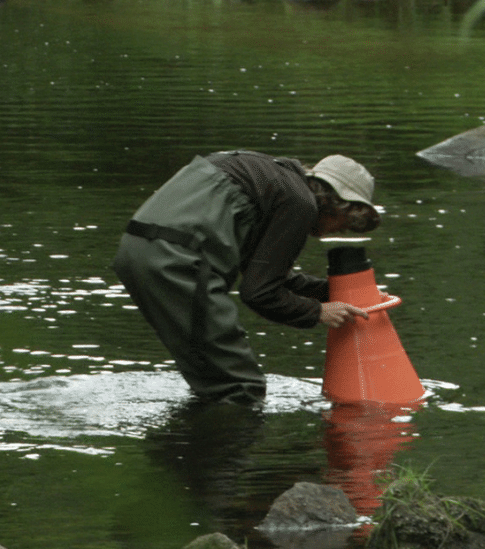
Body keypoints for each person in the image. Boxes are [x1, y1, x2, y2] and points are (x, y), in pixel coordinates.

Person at [113, 151, 381, 405]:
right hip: (178, 261)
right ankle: (219, 450)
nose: (338, 231)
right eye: (345, 223)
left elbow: (268, 276)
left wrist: (339, 291)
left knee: (212, 378)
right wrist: (318, 312)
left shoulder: (266, 177)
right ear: (337, 204)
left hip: (138, 250)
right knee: (241, 389)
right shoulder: (300, 202)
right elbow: (259, 293)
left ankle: (190, 446)